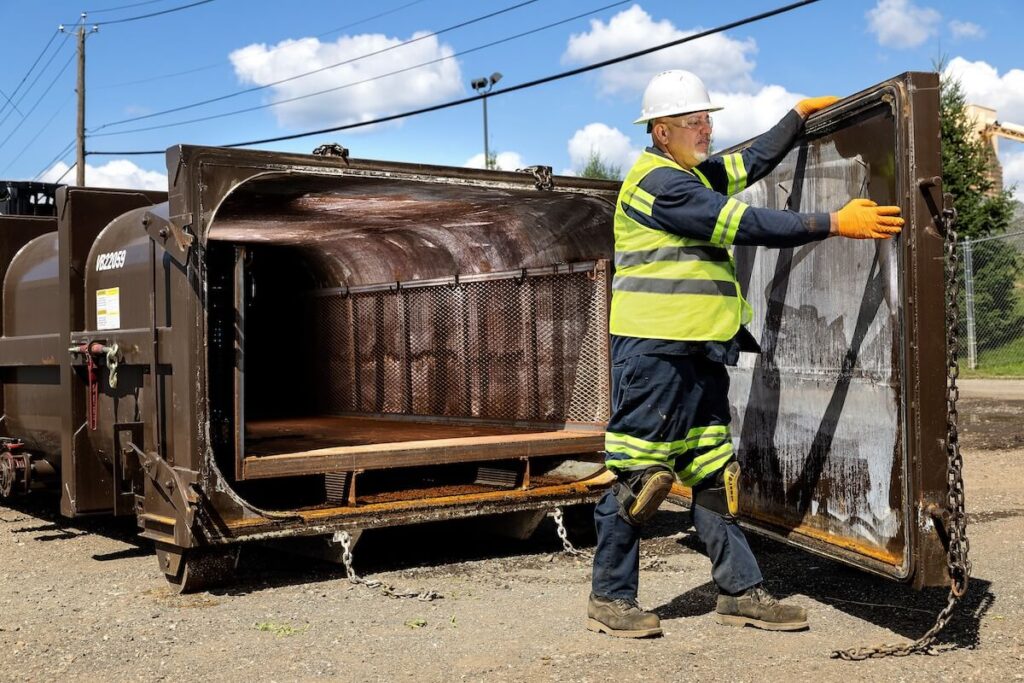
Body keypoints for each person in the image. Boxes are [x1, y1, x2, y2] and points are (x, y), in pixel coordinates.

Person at [587, 69, 904, 638]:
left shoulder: (691, 172)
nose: (706, 129)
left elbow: (748, 164)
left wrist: (797, 116)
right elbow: (745, 221)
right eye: (693, 122)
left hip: (699, 352)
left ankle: (738, 591)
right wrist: (835, 222)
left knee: (713, 472)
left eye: (708, 118)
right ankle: (611, 597)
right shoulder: (661, 185)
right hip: (654, 354)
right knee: (641, 477)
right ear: (661, 131)